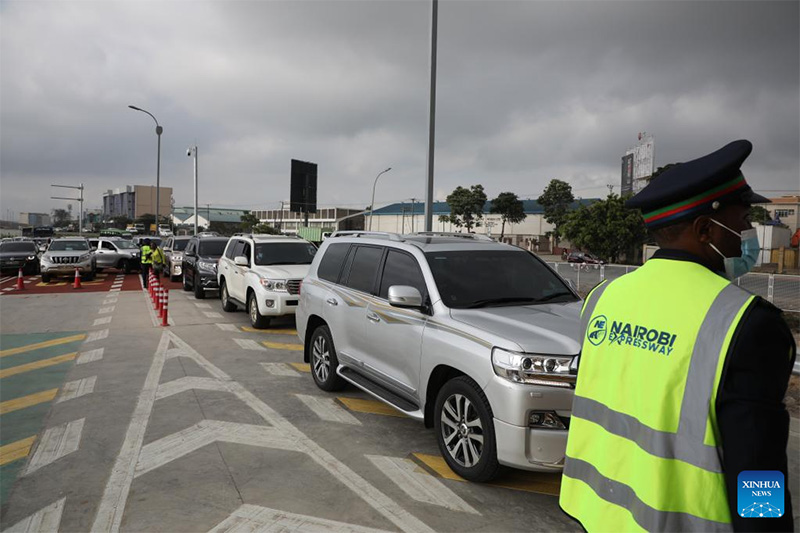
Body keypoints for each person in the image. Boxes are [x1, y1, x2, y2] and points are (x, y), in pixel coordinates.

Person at [560, 140, 795, 532]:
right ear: (705, 229)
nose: (746, 237)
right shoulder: (746, 323)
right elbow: (758, 466)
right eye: (740, 223)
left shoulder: (603, 298)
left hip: (596, 514)